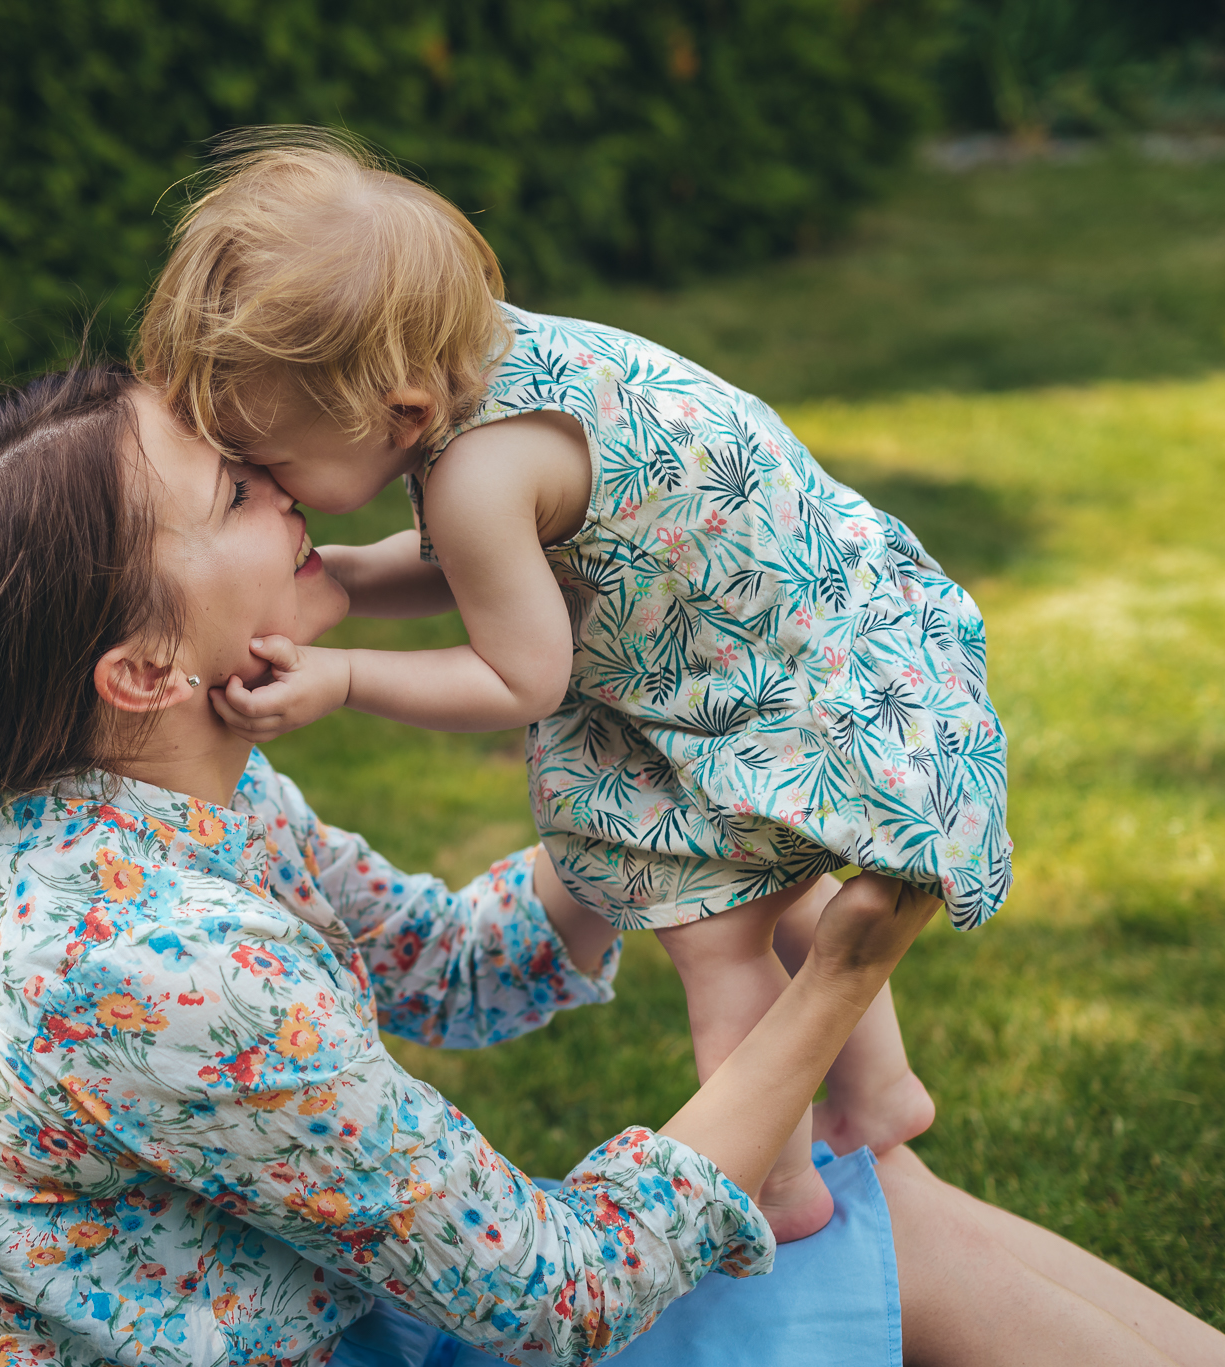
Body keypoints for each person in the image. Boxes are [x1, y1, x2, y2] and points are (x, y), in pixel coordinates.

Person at [0, 364, 1225, 1366]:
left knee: (878, 1197)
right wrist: (838, 980)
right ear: (142, 666)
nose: (282, 479)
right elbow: (552, 1290)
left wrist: (682, 789)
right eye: (229, 489)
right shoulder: (158, 966)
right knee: (869, 1222)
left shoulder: (134, 809)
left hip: (337, 1322)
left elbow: (444, 964)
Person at [135, 131, 1003, 1239]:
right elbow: (498, 572)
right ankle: (877, 1091)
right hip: (807, 613)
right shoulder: (490, 367)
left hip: (745, 675)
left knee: (714, 920)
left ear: (397, 415)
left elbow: (521, 667)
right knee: (775, 874)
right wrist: (347, 575)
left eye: (270, 457)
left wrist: (347, 675)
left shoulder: (473, 475)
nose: (262, 479)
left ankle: (774, 1181)